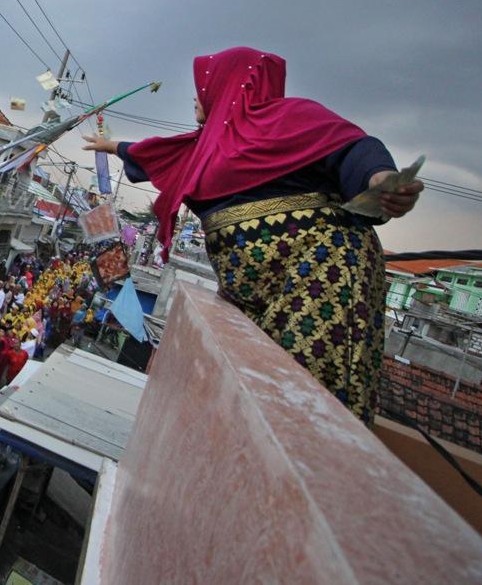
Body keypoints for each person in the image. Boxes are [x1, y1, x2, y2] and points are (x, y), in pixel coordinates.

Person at [84, 46, 423, 424]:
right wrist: (109, 146)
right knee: (246, 395)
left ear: (229, 84)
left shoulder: (290, 117)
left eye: (204, 86)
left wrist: (380, 179)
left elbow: (353, 149)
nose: (197, 97)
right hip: (257, 294)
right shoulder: (203, 147)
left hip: (322, 275)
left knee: (296, 403)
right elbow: (153, 154)